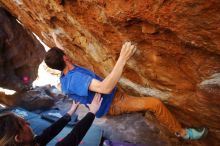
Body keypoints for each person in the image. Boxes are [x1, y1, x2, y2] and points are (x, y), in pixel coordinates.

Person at [44, 33, 208, 140]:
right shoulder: (74, 79)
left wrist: (54, 37)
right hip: (113, 103)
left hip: (113, 98)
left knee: (142, 104)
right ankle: (183, 133)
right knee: (154, 103)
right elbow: (104, 88)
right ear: (65, 58)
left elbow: (62, 52)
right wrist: (123, 58)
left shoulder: (65, 73)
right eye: (64, 54)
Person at [0, 93, 103, 146]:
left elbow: (49, 132)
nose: (28, 122)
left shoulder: (31, 143)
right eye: (24, 124)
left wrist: (69, 113)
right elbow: (73, 138)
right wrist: (91, 112)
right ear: (18, 138)